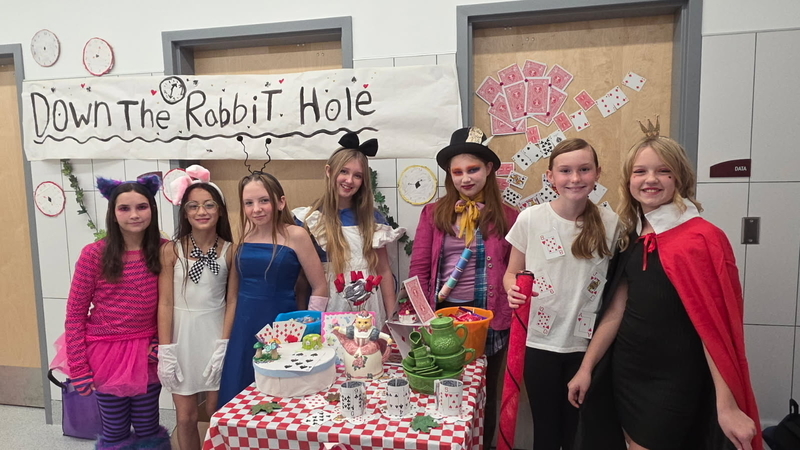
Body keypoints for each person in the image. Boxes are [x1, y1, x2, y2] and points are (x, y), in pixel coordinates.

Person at [566, 133, 762, 450]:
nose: (650, 180)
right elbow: (616, 310)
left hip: (675, 377)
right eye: (640, 171)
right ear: (629, 180)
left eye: (663, 171)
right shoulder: (632, 237)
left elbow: (713, 330)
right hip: (627, 370)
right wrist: (586, 368)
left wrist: (725, 405)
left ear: (679, 177)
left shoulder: (703, 238)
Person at [505, 138, 619, 450]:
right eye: (565, 171)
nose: (575, 178)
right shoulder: (531, 218)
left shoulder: (611, 224)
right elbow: (511, 273)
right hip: (538, 342)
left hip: (584, 347)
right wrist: (512, 291)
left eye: (584, 170)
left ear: (597, 173)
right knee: (546, 429)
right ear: (550, 177)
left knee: (575, 432)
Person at [408, 126, 517, 448]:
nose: (465, 178)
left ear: (489, 169)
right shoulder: (433, 213)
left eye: (473, 170)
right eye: (457, 172)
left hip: (491, 320)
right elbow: (417, 268)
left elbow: (517, 271)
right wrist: (423, 315)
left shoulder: (510, 217)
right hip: (442, 318)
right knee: (440, 386)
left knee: (485, 390)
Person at [61, 175, 170, 449]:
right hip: (105, 355)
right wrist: (79, 368)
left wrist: (161, 343)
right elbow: (74, 315)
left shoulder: (164, 250)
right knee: (115, 430)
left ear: (152, 209)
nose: (134, 215)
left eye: (141, 207)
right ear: (113, 213)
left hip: (148, 352)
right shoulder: (93, 255)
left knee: (148, 427)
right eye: (124, 208)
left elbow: (172, 305)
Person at [216, 171, 328, 408]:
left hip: (281, 327)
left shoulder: (296, 235)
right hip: (243, 329)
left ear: (280, 202)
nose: (256, 208)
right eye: (249, 203)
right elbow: (233, 295)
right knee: (239, 400)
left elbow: (320, 286)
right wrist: (225, 341)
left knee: (280, 397)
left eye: (263, 200)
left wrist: (310, 329)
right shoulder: (244, 238)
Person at [157, 166, 234, 450]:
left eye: (209, 204)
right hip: (181, 339)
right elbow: (164, 302)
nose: (201, 211)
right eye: (193, 205)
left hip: (214, 337)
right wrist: (165, 350)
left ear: (220, 211)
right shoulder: (171, 250)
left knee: (216, 413)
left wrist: (224, 344)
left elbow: (232, 300)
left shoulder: (230, 250)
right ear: (185, 212)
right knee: (186, 417)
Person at [293, 133, 404, 327]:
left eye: (357, 175)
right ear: (329, 171)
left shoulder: (373, 220)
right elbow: (302, 279)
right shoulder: (311, 219)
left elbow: (384, 271)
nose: (349, 180)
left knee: (368, 353)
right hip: (330, 305)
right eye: (344, 171)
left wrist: (391, 318)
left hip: (369, 303)